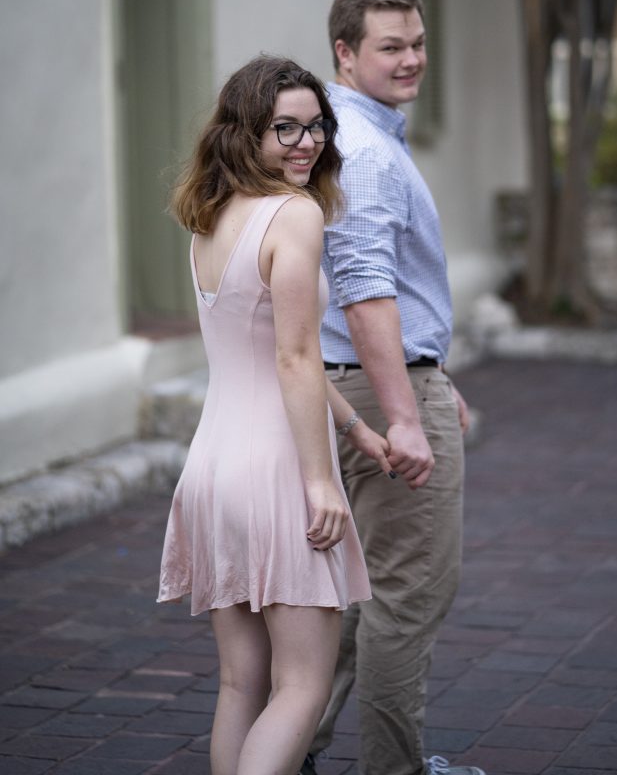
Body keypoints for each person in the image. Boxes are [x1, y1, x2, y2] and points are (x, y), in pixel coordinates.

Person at [157, 55, 394, 775]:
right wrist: (322, 483)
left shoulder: (211, 216)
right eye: (282, 128)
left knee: (242, 683)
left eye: (315, 125)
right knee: (302, 686)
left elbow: (269, 351)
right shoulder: (294, 215)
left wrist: (354, 428)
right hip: (276, 475)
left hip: (212, 470)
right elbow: (294, 356)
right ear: (243, 134)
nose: (306, 141)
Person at [307, 0, 485, 775]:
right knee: (407, 600)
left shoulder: (350, 136)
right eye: (391, 46)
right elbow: (365, 288)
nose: (411, 58)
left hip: (368, 382)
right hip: (380, 394)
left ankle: (291, 751)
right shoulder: (368, 153)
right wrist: (404, 410)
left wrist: (428, 373)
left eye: (416, 42)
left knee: (359, 600)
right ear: (344, 54)